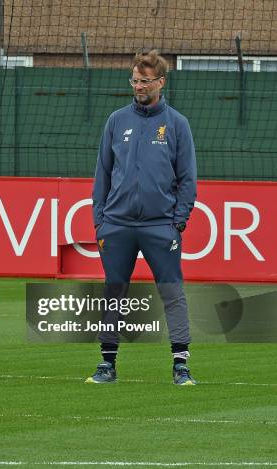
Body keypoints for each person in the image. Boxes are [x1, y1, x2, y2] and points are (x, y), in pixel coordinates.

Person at [88, 50, 198, 385]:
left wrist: (177, 222)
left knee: (171, 292)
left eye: (145, 81)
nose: (138, 86)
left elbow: (188, 178)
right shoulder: (116, 120)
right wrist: (100, 221)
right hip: (117, 225)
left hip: (159, 226)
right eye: (135, 80)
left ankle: (181, 365)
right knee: (113, 291)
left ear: (160, 83)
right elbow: (102, 175)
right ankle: (107, 364)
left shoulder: (177, 124)